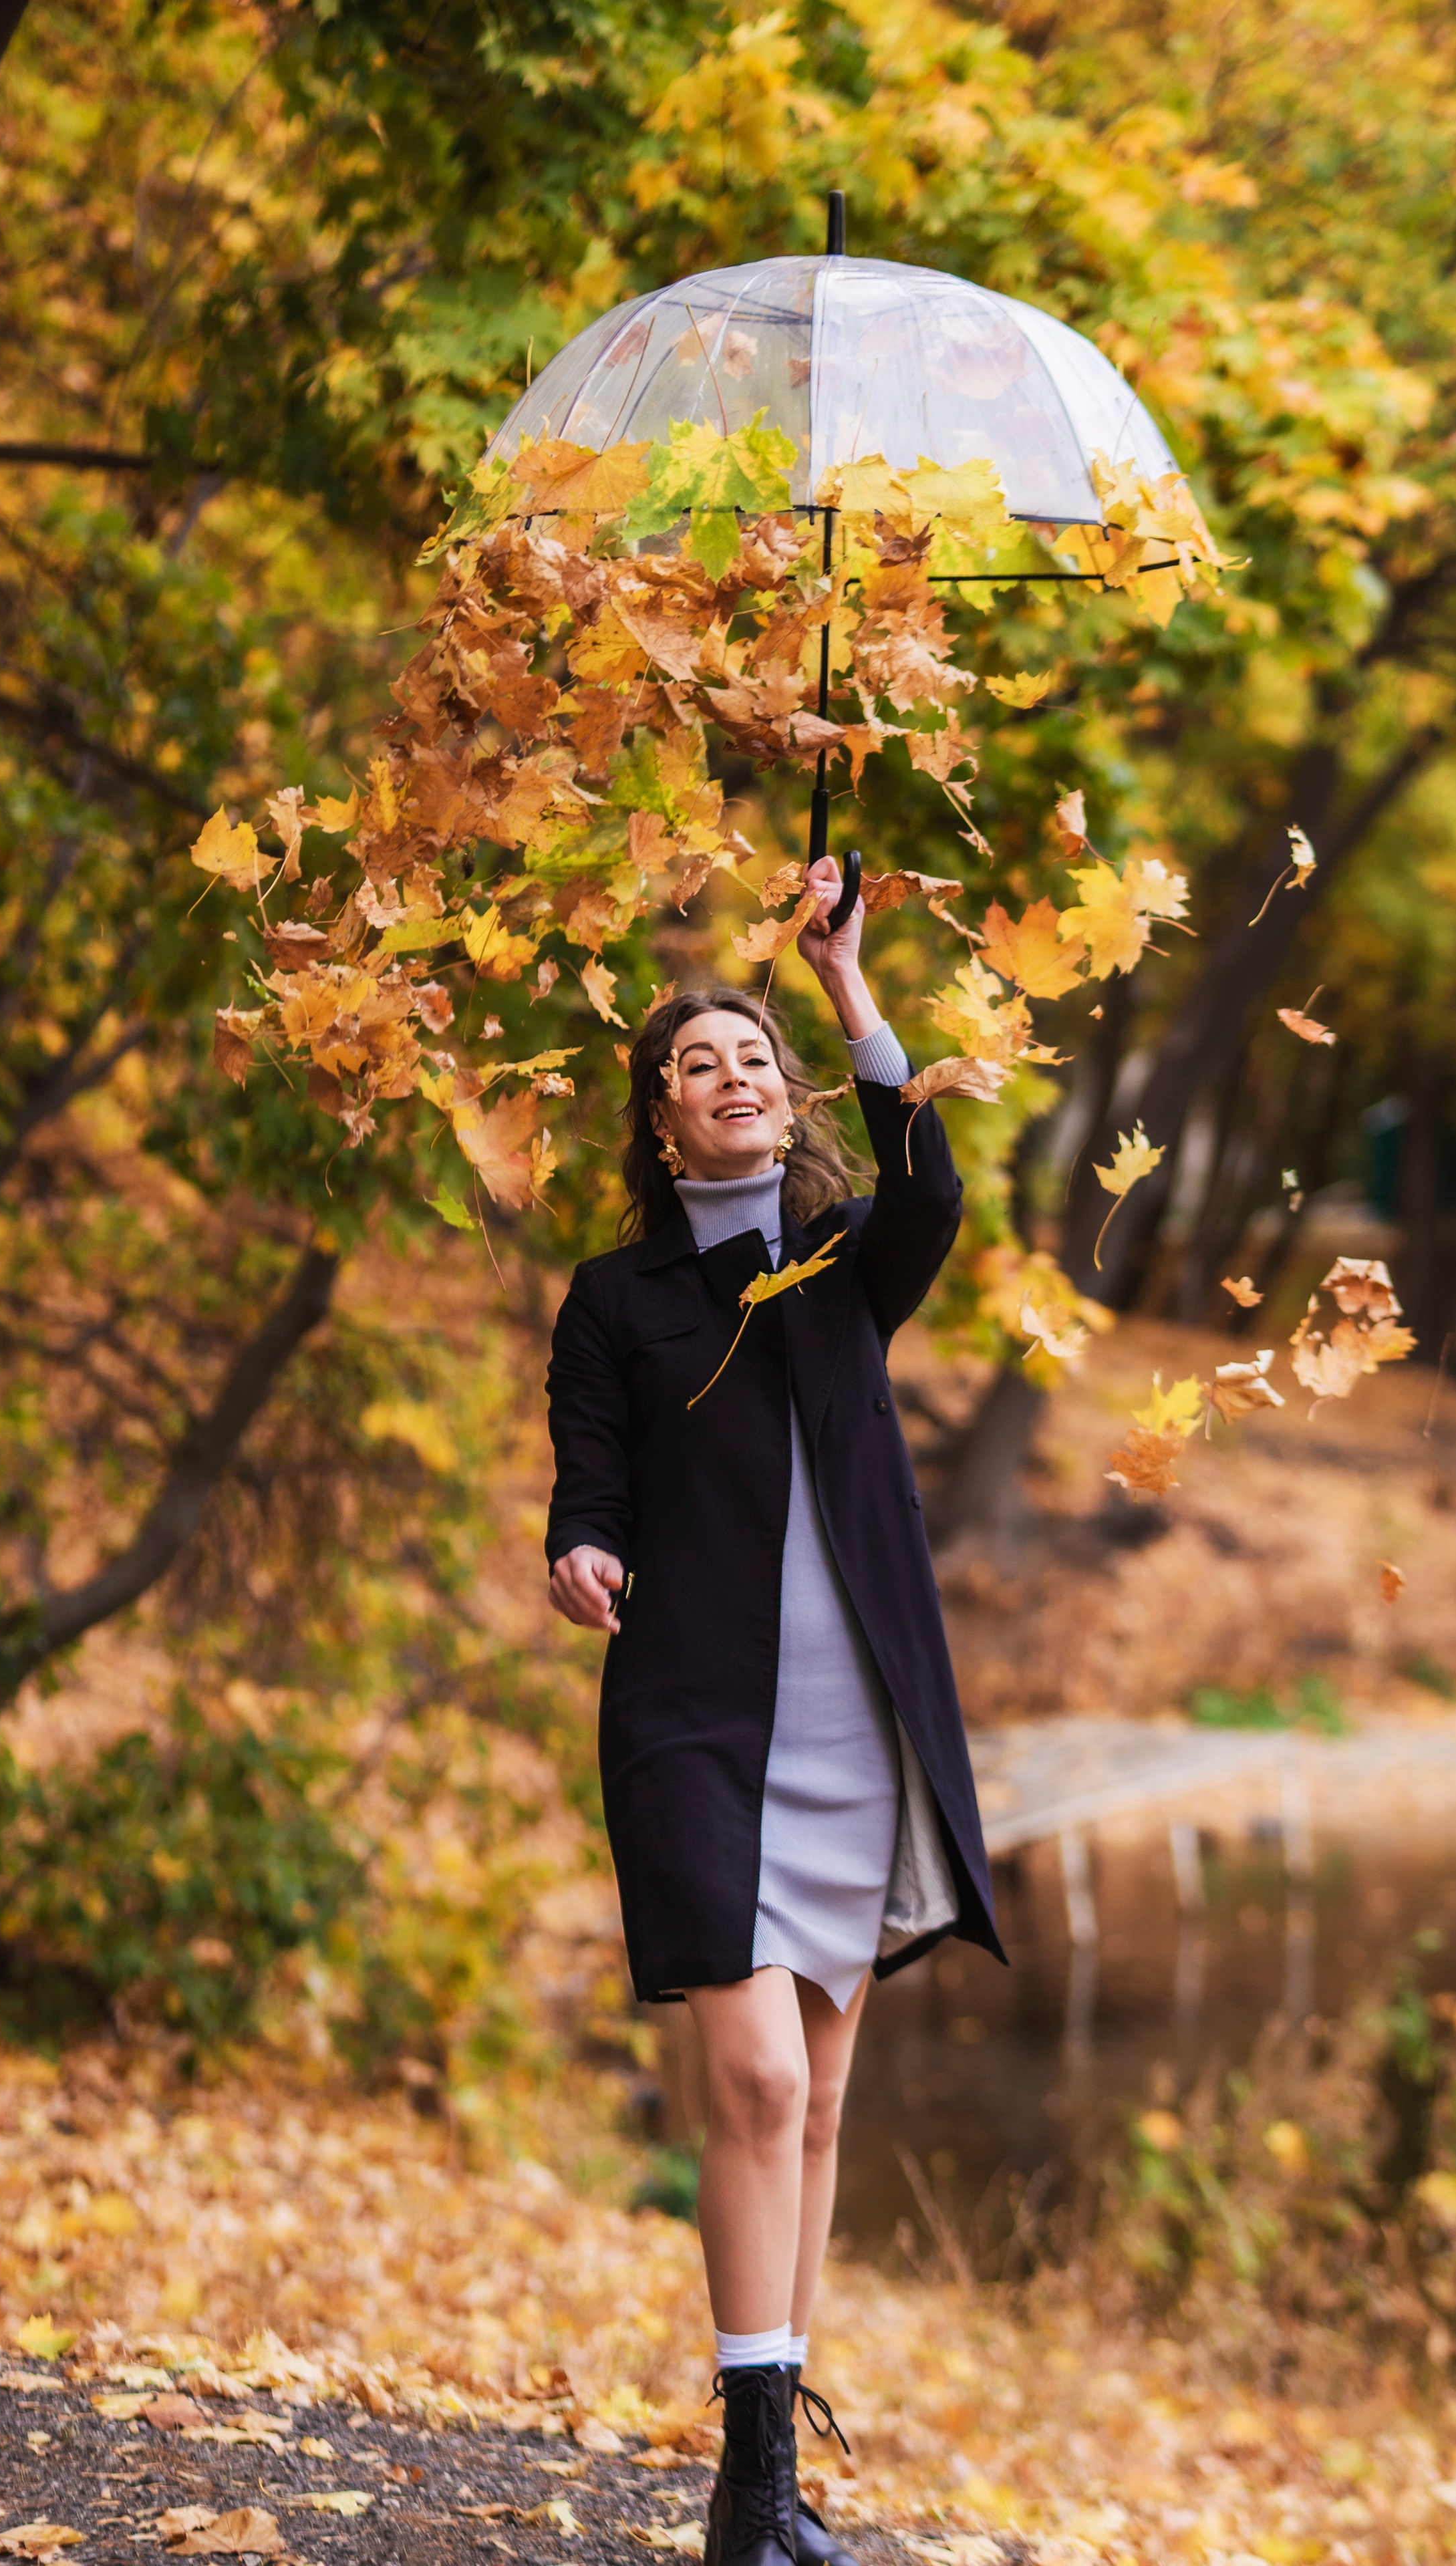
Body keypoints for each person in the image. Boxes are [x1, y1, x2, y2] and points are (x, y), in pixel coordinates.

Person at [545, 852, 1003, 2566]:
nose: (728, 1079)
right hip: (691, 1725)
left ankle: (769, 2485)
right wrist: (581, 1550)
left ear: (782, 1097)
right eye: (694, 1065)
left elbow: (928, 1187)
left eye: (751, 1059)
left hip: (854, 1726)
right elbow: (586, 1478)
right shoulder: (618, 1297)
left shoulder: (839, 1267)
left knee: (812, 2106)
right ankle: (746, 2492)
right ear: (660, 1126)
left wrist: (840, 983)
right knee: (743, 2083)